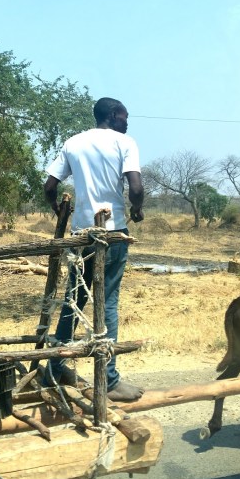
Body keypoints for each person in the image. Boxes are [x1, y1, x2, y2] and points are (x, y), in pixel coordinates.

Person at [43, 97, 145, 402]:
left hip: (81, 235)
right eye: (124, 116)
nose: (127, 122)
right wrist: (136, 208)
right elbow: (136, 188)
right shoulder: (125, 142)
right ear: (113, 115)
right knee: (108, 302)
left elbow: (49, 186)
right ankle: (109, 380)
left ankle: (54, 369)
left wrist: (57, 209)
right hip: (112, 233)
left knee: (73, 301)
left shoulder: (73, 143)